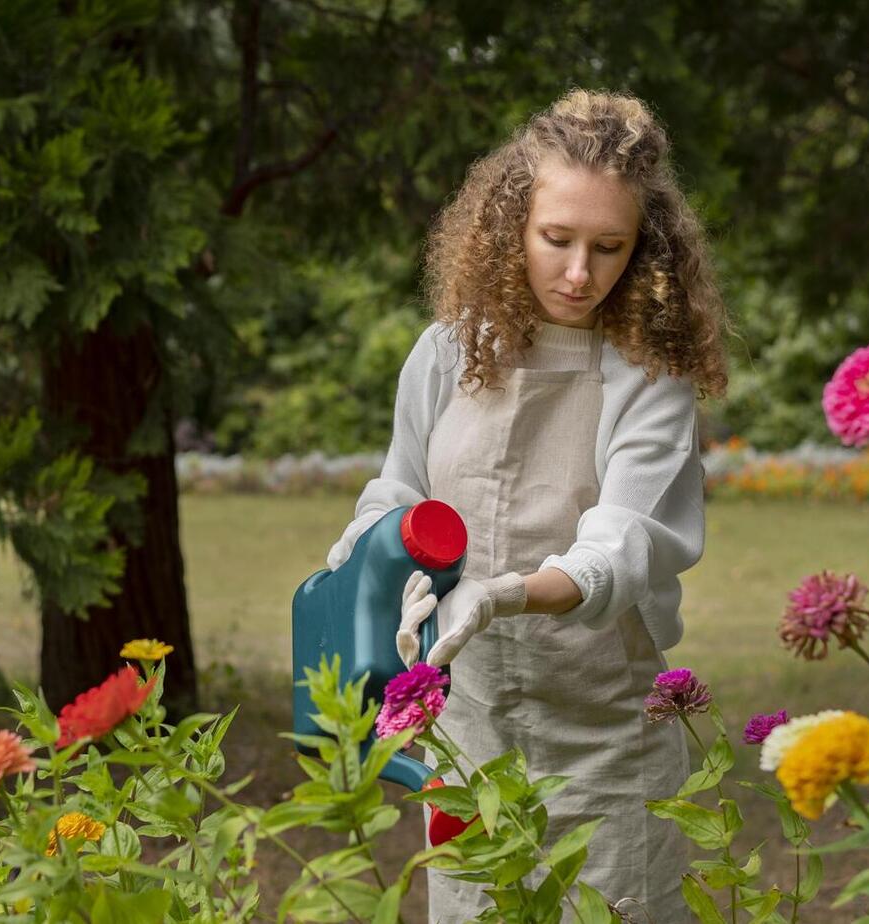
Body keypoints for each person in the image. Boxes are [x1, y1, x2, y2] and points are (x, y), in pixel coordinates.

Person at [324, 89, 730, 923]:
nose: (581, 273)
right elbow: (400, 490)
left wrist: (502, 591)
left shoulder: (649, 377)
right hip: (467, 726)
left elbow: (617, 547)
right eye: (558, 240)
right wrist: (365, 554)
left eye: (609, 247)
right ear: (511, 224)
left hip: (608, 739)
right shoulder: (448, 352)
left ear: (643, 249)